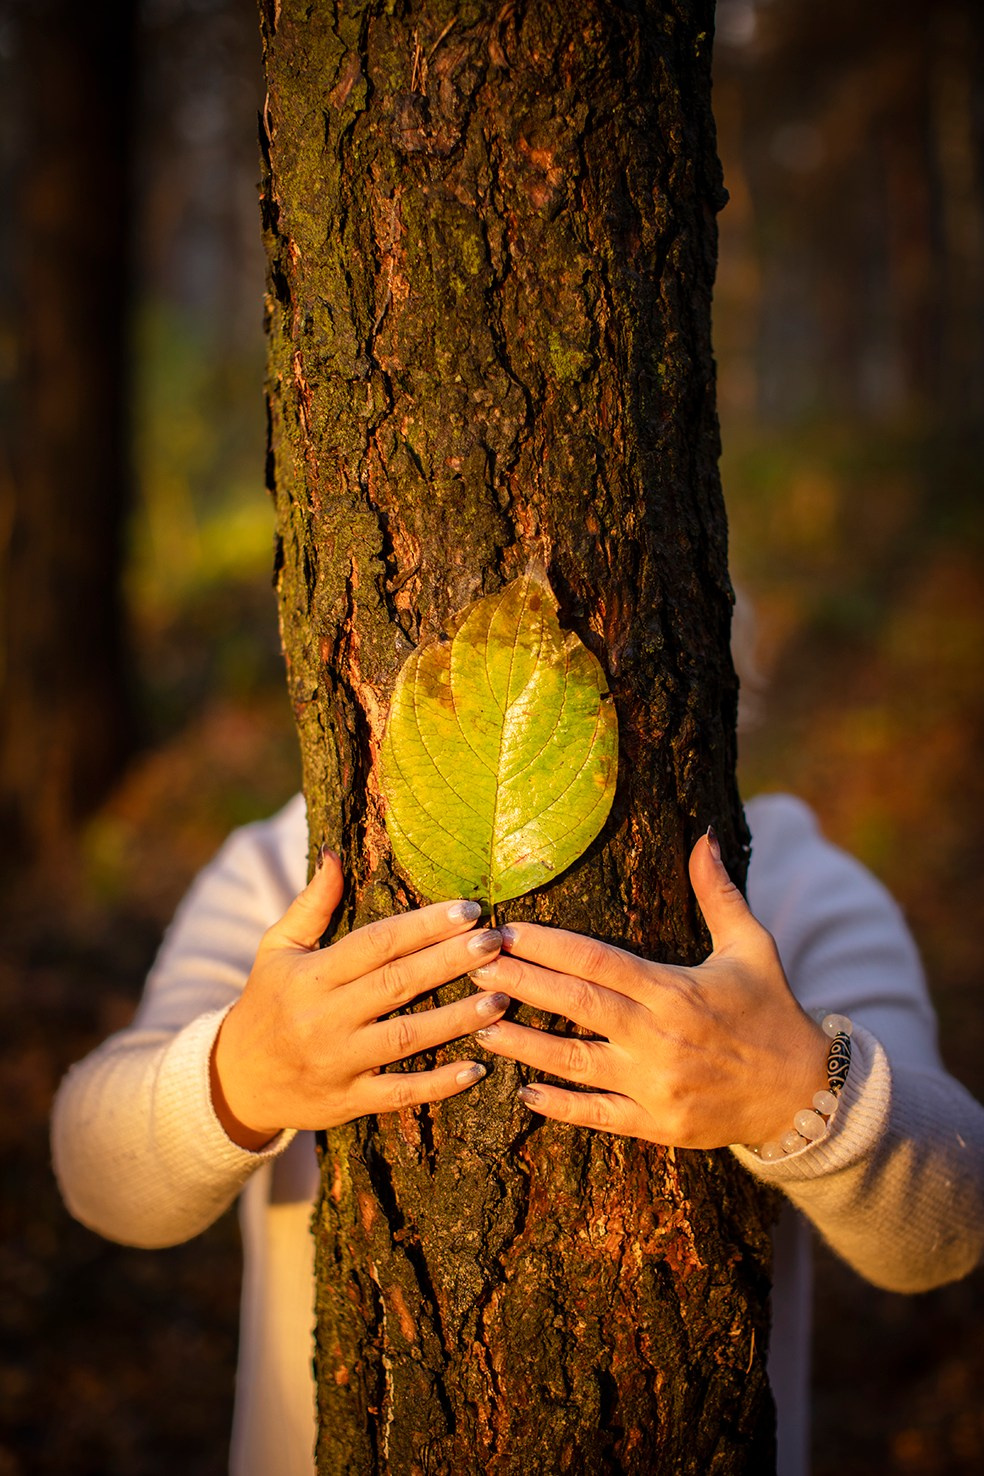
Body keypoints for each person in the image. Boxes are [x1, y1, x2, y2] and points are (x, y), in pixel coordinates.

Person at [51, 789, 984, 1476]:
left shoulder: (790, 882)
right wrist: (239, 1073)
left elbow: (951, 1227)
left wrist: (799, 1090)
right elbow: (98, 1172)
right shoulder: (281, 867)